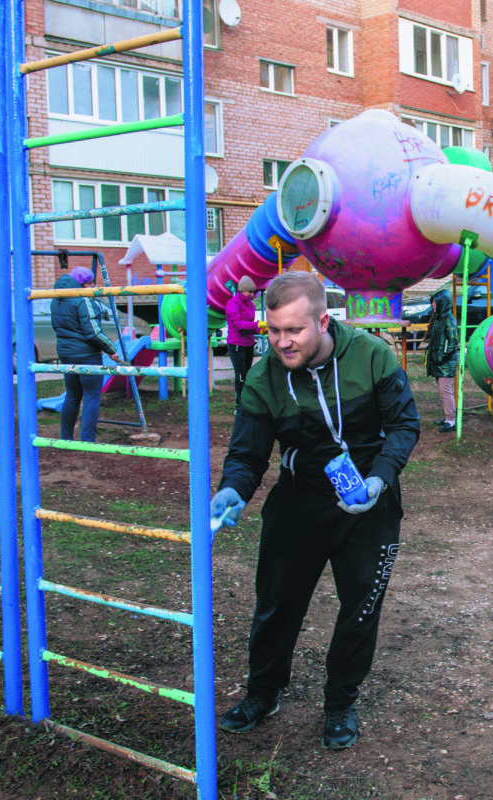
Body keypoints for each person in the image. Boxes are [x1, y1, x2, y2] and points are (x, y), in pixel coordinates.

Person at [210, 271, 420, 750]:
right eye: (273, 330)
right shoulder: (264, 376)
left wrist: (379, 477)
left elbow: (405, 424)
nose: (282, 342)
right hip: (300, 500)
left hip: (369, 499)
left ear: (323, 321)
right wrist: (234, 489)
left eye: (294, 330)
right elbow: (247, 453)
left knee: (360, 609)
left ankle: (341, 703)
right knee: (276, 603)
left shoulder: (371, 355)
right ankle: (263, 693)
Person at [50, 266, 125, 443]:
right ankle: (88, 440)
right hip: (86, 355)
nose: (93, 286)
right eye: (90, 283)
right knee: (91, 396)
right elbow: (93, 332)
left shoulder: (56, 298)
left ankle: (66, 439)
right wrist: (111, 349)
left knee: (72, 395)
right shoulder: (82, 300)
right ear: (83, 284)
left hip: (66, 353)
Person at [426, 288, 460, 432]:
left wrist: (442, 357)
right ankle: (448, 417)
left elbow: (453, 342)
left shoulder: (448, 320)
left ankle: (451, 421)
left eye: (435, 302)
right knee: (443, 391)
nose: (433, 305)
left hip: (445, 363)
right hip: (440, 363)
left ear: (442, 303)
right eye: (432, 302)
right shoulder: (440, 318)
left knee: (446, 391)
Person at [225, 275, 261, 404]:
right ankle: (239, 405)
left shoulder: (250, 305)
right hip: (237, 344)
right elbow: (238, 324)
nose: (252, 295)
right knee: (240, 376)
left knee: (247, 375)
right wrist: (257, 325)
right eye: (250, 292)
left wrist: (260, 329)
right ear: (242, 290)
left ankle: (246, 403)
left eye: (253, 292)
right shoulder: (233, 304)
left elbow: (248, 325)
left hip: (248, 343)